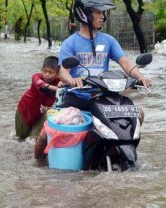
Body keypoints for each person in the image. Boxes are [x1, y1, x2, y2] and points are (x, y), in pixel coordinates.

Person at [34, 0, 152, 160]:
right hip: (76, 98)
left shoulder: (108, 40)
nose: (102, 16)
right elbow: (63, 72)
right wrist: (72, 80)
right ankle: (39, 167)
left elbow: (125, 62)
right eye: (98, 12)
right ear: (85, 14)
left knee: (138, 113)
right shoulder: (71, 43)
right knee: (44, 135)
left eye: (103, 13)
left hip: (103, 98)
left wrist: (140, 77)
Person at [15, 56, 62, 142]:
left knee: (33, 140)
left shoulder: (60, 82)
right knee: (20, 138)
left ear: (58, 73)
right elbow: (41, 84)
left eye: (51, 72)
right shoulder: (36, 77)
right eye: (44, 71)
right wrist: (57, 89)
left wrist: (63, 85)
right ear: (41, 70)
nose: (47, 74)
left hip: (42, 113)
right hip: (25, 110)